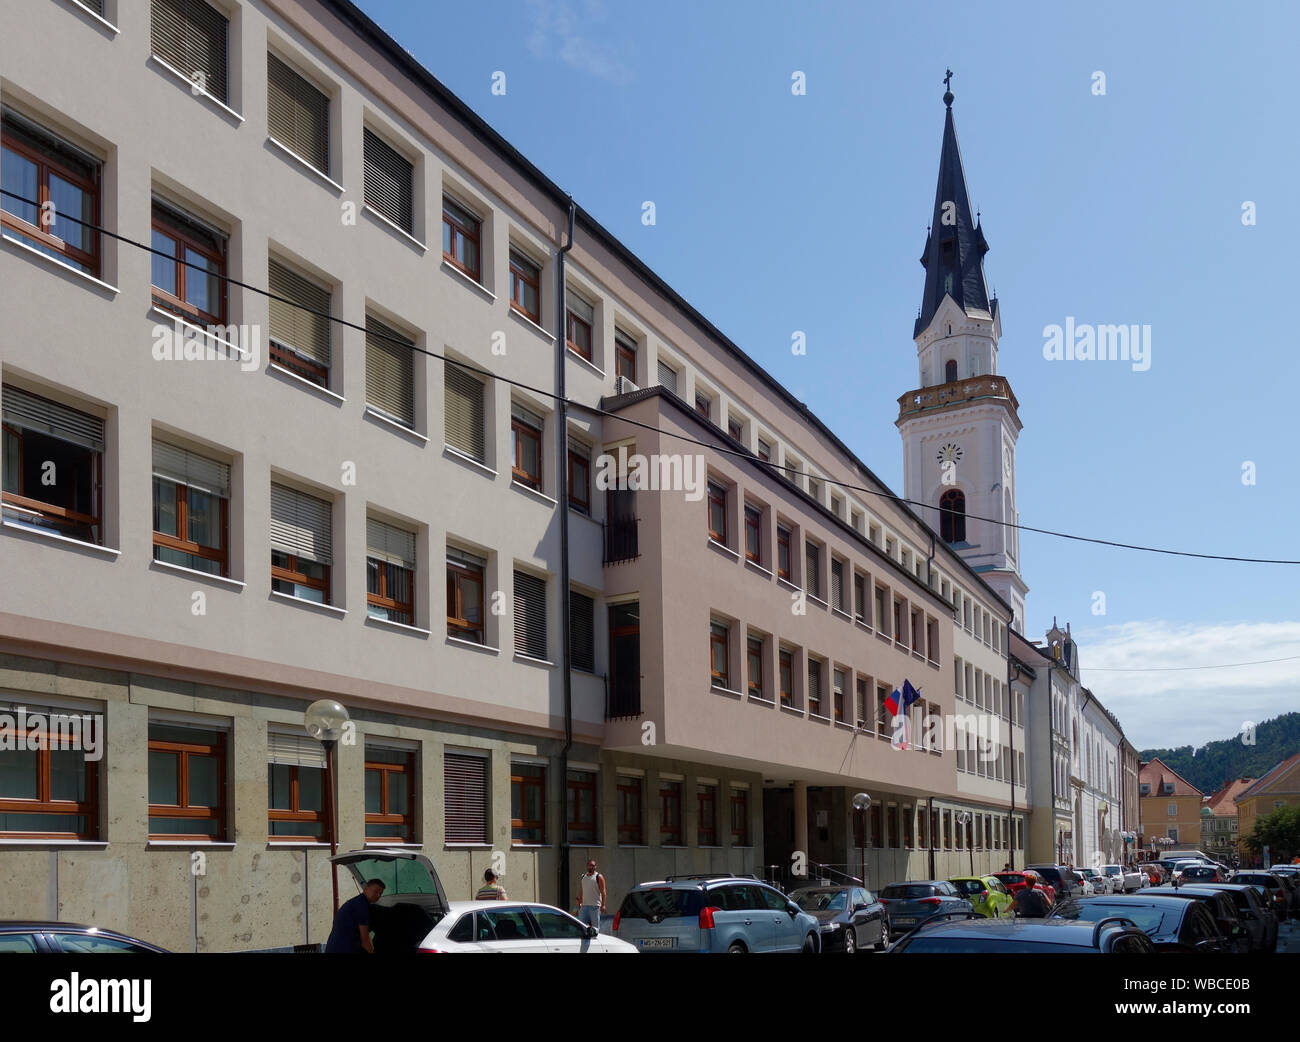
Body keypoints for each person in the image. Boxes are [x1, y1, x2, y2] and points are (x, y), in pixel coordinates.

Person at [325, 878, 385, 953]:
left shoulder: (356, 902)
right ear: (366, 889)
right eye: (376, 891)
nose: (378, 895)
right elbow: (365, 940)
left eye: (381, 893)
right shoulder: (361, 905)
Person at [576, 859, 606, 932]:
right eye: (590, 865)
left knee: (595, 929)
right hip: (584, 906)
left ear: (595, 867)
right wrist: (579, 902)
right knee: (581, 927)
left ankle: (596, 941)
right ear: (587, 866)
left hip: (595, 907)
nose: (591, 867)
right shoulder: (583, 877)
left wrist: (603, 905)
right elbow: (582, 890)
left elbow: (603, 891)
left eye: (593, 865)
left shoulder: (599, 877)